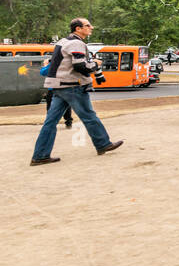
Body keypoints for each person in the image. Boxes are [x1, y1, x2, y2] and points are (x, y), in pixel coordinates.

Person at [31, 17, 122, 166]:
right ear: (78, 29)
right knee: (89, 116)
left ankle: (40, 155)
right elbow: (80, 66)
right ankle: (103, 144)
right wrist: (95, 64)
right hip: (72, 85)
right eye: (87, 25)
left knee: (50, 122)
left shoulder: (62, 42)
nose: (91, 27)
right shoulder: (76, 43)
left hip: (58, 86)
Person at [39, 60, 73, 128]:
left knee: (51, 108)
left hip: (53, 89)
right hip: (65, 88)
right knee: (66, 106)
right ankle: (68, 122)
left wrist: (46, 64)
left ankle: (50, 123)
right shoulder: (67, 64)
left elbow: (43, 72)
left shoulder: (53, 65)